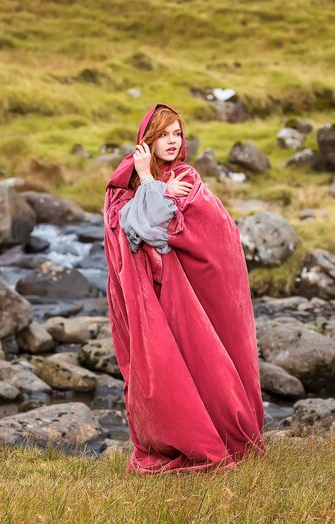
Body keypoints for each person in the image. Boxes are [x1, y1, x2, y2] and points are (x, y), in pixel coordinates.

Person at [103, 102, 266, 475]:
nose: (173, 141)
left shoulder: (188, 179)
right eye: (164, 134)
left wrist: (153, 191)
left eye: (177, 133)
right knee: (162, 370)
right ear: (147, 141)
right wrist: (152, 183)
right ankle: (175, 437)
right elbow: (133, 232)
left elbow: (170, 229)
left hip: (188, 295)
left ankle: (217, 435)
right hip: (148, 298)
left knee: (202, 363)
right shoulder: (120, 188)